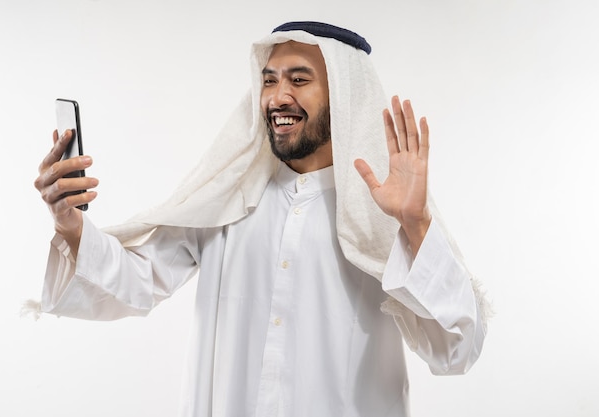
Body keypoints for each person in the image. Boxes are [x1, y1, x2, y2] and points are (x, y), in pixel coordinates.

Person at [34, 21, 489, 417]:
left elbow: (455, 350)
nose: (278, 97)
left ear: (344, 97)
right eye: (269, 81)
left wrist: (416, 225)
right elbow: (134, 283)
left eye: (299, 79)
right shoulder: (231, 198)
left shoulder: (382, 215)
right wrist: (69, 225)